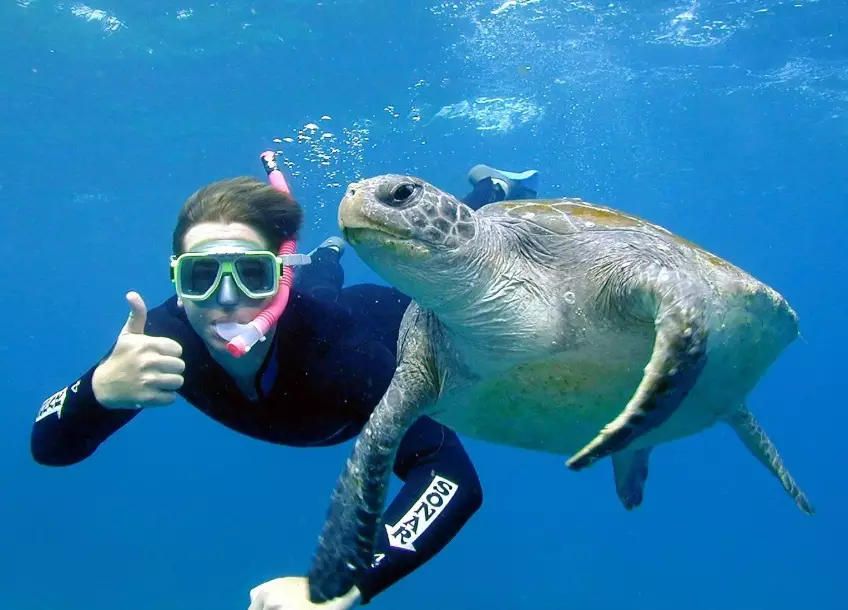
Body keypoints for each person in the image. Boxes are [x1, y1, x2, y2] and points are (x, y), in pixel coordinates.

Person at [29, 156, 539, 610]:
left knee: (440, 276)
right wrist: (96, 391)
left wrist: (344, 582)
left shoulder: (345, 356)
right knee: (323, 281)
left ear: (278, 278)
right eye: (202, 276)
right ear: (176, 280)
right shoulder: (159, 341)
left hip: (377, 316)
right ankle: (326, 257)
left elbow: (449, 475)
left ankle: (489, 192)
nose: (227, 299)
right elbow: (49, 446)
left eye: (252, 274)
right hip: (310, 305)